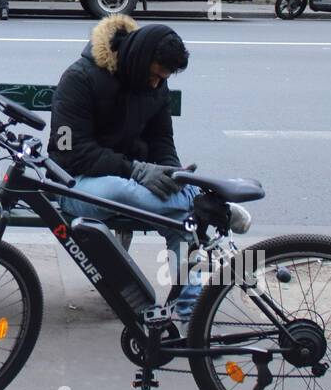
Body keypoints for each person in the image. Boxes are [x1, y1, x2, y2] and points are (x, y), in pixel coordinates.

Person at [47, 16, 216, 319]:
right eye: (154, 76)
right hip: (75, 185)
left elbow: (161, 140)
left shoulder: (155, 86)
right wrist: (136, 170)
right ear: (138, 61)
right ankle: (197, 198)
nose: (156, 83)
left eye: (163, 79)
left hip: (134, 189)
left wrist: (170, 173)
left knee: (180, 219)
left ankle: (191, 315)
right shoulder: (79, 78)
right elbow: (69, 154)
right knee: (121, 189)